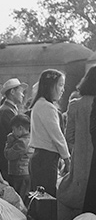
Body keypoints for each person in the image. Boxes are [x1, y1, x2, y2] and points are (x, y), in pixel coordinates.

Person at [58, 66, 96, 220]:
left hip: (79, 158)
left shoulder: (74, 105)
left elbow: (69, 136)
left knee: (79, 193)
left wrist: (80, 147)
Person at [29, 69, 71, 197]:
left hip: (41, 159)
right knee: (47, 199)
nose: (62, 89)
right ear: (49, 86)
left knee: (40, 198)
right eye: (60, 85)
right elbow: (57, 136)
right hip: (45, 160)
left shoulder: (40, 104)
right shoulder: (46, 107)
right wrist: (67, 159)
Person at [0, 78, 28, 180]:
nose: (23, 95)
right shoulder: (6, 111)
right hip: (5, 159)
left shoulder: (9, 109)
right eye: (20, 91)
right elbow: (15, 134)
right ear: (12, 92)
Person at [4, 113, 33, 202]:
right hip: (25, 173)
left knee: (18, 199)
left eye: (13, 129)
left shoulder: (21, 143)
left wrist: (9, 142)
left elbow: (8, 155)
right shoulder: (31, 139)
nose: (12, 132)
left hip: (19, 175)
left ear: (20, 128)